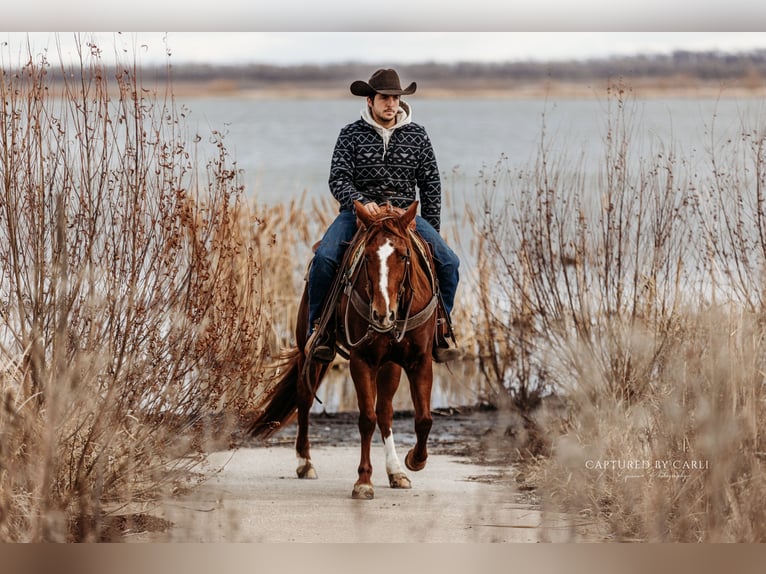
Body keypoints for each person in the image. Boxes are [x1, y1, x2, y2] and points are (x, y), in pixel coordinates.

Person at [306, 68, 461, 363]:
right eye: (384, 98)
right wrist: (361, 202)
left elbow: (430, 184)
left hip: (404, 219)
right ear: (370, 100)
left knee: (449, 262)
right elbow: (338, 179)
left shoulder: (417, 135)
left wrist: (431, 230)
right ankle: (320, 330)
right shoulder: (350, 135)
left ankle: (440, 329)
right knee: (325, 258)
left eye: (395, 97)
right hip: (359, 216)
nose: (391, 103)